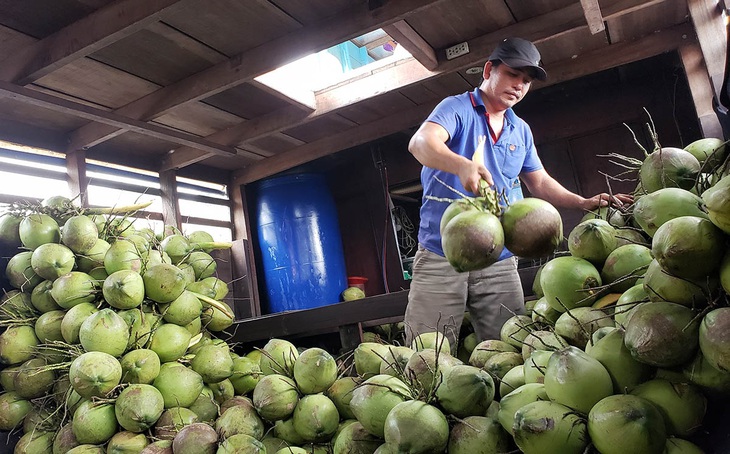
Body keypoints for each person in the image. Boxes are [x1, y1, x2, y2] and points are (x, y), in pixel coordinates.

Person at [404, 37, 632, 349]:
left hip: (498, 256)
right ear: (489, 69)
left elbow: (539, 182)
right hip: (441, 254)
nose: (519, 86)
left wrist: (582, 201)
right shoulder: (457, 108)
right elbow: (420, 144)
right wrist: (460, 165)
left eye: (526, 81)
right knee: (426, 350)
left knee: (508, 347)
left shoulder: (520, 129)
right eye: (513, 74)